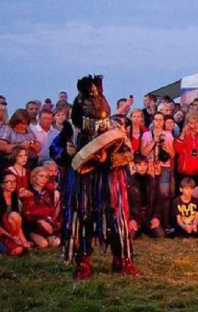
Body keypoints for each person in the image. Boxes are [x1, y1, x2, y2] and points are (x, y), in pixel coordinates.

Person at [57, 75, 137, 279]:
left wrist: (108, 159)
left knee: (116, 220)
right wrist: (66, 152)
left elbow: (128, 153)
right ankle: (83, 260)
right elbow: (54, 149)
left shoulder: (115, 127)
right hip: (83, 183)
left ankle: (122, 258)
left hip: (110, 182)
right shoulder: (71, 128)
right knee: (83, 218)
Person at [141, 111, 175, 233]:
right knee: (151, 194)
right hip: (150, 167)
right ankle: (150, 221)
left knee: (164, 195)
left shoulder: (168, 135)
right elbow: (143, 153)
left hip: (164, 166)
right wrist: (154, 141)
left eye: (161, 120)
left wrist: (166, 145)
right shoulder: (146, 134)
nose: (159, 122)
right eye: (157, 119)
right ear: (153, 121)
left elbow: (172, 154)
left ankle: (165, 223)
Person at [0, 172, 29, 255]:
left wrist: (24, 240)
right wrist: (10, 237)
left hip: (13, 233)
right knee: (13, 215)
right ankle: (11, 244)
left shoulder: (17, 202)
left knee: (15, 216)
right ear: (2, 185)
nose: (12, 184)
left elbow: (18, 225)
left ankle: (17, 243)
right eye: (9, 182)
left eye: (14, 182)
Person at [22, 167, 60, 248]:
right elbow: (27, 215)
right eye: (41, 176)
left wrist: (53, 222)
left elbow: (52, 211)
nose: (44, 179)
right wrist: (39, 221)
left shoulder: (48, 193)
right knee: (43, 244)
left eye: (46, 177)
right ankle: (31, 237)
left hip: (48, 224)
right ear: (34, 177)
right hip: (33, 226)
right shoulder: (28, 193)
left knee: (56, 242)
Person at [173, 112, 198, 188]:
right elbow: (178, 150)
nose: (193, 125)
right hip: (185, 172)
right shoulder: (182, 135)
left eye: (196, 122)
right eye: (191, 123)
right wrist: (183, 134)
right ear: (187, 123)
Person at [127, 154, 163, 239]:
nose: (142, 167)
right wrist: (131, 219)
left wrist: (156, 217)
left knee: (160, 235)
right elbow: (125, 203)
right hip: (135, 217)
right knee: (130, 236)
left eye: (144, 165)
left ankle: (144, 230)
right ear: (135, 166)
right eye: (139, 165)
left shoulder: (152, 181)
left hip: (148, 217)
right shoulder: (128, 182)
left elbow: (158, 201)